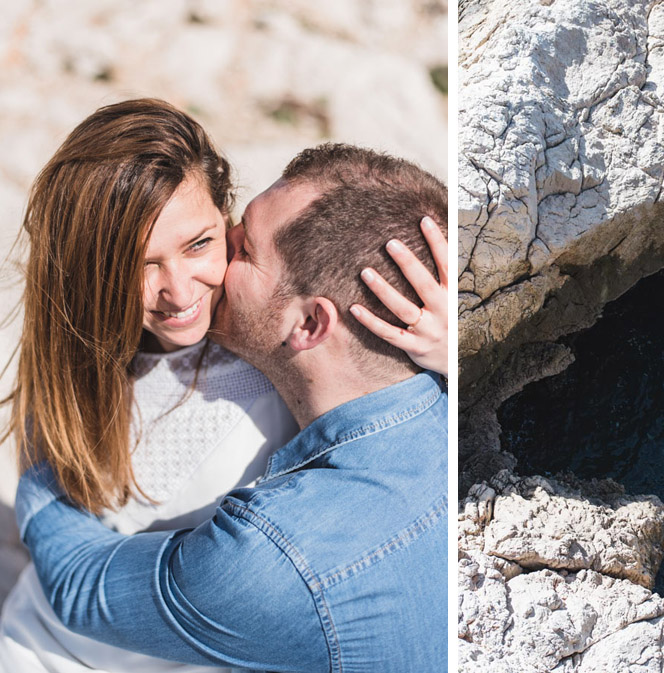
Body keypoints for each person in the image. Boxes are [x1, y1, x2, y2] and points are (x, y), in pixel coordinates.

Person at [1, 101, 448, 672]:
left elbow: (371, 376)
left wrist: (447, 352)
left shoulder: (272, 346)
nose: (180, 291)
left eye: (202, 245)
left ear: (225, 217)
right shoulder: (84, 361)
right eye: (138, 264)